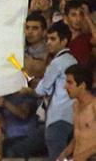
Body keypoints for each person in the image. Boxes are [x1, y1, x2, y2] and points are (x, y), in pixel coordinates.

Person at [29, 23, 76, 160]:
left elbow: (41, 90)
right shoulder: (73, 60)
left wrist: (29, 89)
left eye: (53, 39)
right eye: (47, 39)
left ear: (64, 41)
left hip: (57, 118)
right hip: (72, 117)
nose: (48, 42)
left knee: (57, 157)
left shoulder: (57, 62)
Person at [58, 64, 95, 161]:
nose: (65, 87)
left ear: (82, 86)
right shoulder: (75, 106)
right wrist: (64, 154)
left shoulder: (94, 106)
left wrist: (84, 155)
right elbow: (78, 136)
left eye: (70, 83)